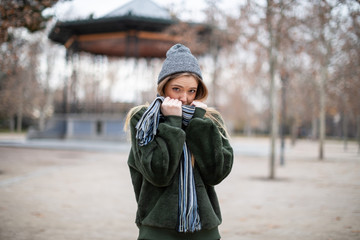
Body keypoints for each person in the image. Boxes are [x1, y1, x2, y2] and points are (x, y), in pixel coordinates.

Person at [124, 43, 234, 240]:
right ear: (163, 86)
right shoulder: (143, 119)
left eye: (192, 90)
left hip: (205, 230)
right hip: (157, 230)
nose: (185, 98)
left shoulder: (209, 119)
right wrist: (173, 122)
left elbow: (216, 174)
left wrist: (198, 124)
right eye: (177, 89)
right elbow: (158, 174)